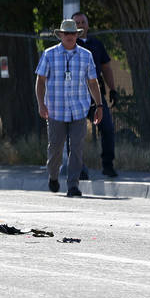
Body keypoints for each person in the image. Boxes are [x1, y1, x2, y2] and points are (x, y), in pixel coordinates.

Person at [35, 18, 103, 197]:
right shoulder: (49, 54)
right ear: (61, 35)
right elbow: (40, 82)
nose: (70, 36)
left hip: (79, 110)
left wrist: (99, 105)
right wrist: (41, 104)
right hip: (56, 110)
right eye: (67, 33)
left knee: (77, 147)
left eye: (73, 33)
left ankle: (73, 185)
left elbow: (93, 82)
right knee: (56, 148)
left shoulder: (86, 55)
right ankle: (53, 175)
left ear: (77, 35)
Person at [73, 11, 119, 177]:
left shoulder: (96, 44)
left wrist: (113, 89)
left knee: (107, 128)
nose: (80, 25)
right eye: (77, 23)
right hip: (75, 96)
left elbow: (106, 68)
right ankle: (78, 168)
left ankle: (108, 165)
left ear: (88, 25)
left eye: (83, 22)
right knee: (75, 134)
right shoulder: (69, 46)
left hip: (95, 96)